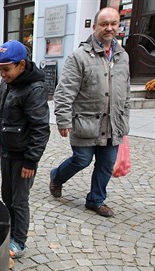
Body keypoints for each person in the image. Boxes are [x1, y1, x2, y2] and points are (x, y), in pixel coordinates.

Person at [50, 7, 130, 218]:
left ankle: (96, 200)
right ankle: (57, 177)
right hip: (85, 122)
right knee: (81, 160)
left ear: (118, 26)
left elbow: (126, 92)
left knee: (106, 165)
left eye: (113, 23)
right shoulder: (80, 56)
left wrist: (125, 120)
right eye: (104, 24)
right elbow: (64, 91)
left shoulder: (123, 56)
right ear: (95, 27)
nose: (109, 28)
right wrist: (63, 119)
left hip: (113, 124)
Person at [0, 40, 50, 258]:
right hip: (8, 152)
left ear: (21, 65)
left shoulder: (35, 89)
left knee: (19, 200)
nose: (2, 74)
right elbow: (2, 116)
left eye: (6, 69)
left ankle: (19, 242)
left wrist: (31, 160)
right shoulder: (7, 82)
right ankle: (10, 232)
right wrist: (1, 144)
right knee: (7, 195)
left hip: (23, 157)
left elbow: (40, 128)